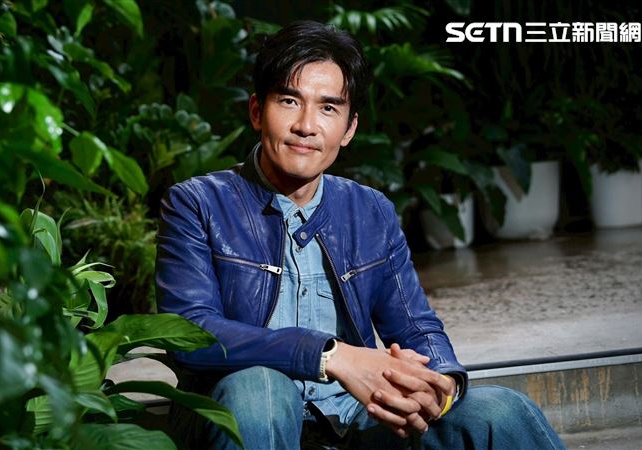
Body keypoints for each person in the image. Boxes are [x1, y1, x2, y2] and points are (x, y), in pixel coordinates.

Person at [156, 20, 565, 450]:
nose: (306, 125)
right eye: (290, 101)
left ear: (349, 128)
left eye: (328, 108)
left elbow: (416, 327)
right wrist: (330, 355)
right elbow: (190, 333)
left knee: (501, 411)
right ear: (257, 111)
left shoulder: (370, 211)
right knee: (261, 390)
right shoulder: (196, 204)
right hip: (246, 415)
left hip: (356, 420)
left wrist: (438, 383)